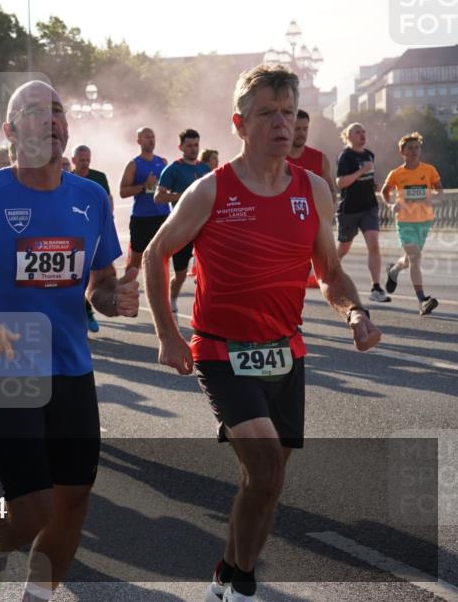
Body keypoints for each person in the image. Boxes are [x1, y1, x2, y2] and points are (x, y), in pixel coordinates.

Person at [143, 64, 381, 602]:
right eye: (267, 113)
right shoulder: (211, 190)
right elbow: (157, 253)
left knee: (264, 483)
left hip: (284, 349)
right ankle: (245, 587)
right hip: (222, 350)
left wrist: (354, 314)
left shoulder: (313, 190)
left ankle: (226, 574)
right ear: (240, 123)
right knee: (268, 468)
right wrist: (168, 334)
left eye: (288, 113)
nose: (281, 124)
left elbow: (330, 272)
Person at [0, 80, 139, 602]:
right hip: (9, 361)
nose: (52, 120)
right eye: (36, 112)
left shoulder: (89, 196)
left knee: (74, 498)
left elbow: (100, 282)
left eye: (58, 111)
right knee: (36, 507)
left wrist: (115, 300)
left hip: (71, 364)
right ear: (11, 130)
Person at [381, 132, 443, 315]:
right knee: (415, 258)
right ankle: (423, 300)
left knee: (410, 260)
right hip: (405, 222)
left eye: (417, 147)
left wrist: (435, 198)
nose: (414, 151)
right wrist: (391, 205)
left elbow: (440, 191)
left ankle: (394, 270)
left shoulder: (429, 170)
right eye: (410, 148)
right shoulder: (396, 174)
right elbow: (385, 191)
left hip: (424, 221)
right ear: (402, 152)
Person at [155, 129, 212, 315]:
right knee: (180, 274)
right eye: (189, 145)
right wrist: (185, 196)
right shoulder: (173, 169)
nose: (193, 149)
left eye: (196, 145)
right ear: (181, 147)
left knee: (210, 270)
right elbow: (158, 197)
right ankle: (172, 300)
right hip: (182, 226)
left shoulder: (205, 169)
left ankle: (208, 306)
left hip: (205, 227)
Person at [335, 123, 390, 303]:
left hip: (369, 207)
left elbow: (367, 177)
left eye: (364, 131)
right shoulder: (346, 156)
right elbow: (340, 183)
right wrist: (361, 171)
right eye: (358, 132)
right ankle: (327, 274)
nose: (362, 134)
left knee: (373, 245)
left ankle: (376, 288)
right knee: (343, 249)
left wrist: (374, 184)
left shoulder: (369, 155)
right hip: (350, 209)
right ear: (349, 136)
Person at [70, 144, 114, 333]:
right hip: (72, 235)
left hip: (94, 234)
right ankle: (84, 312)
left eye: (88, 160)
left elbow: (108, 200)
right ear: (73, 161)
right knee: (76, 278)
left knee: (95, 275)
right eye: (82, 160)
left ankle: (88, 310)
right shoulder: (66, 179)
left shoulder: (99, 177)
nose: (85, 163)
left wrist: (107, 221)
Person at [119, 127, 171, 271]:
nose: (151, 140)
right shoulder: (134, 164)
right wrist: (144, 186)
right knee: (136, 262)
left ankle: (159, 293)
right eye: (147, 137)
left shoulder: (163, 162)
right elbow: (122, 192)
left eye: (153, 137)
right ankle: (124, 289)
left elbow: (169, 188)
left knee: (160, 259)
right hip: (142, 218)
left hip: (162, 216)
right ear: (139, 141)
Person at [287, 110, 335, 194]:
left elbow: (331, 193)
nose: (301, 133)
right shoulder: (276, 159)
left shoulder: (320, 159)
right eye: (297, 129)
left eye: (305, 129)